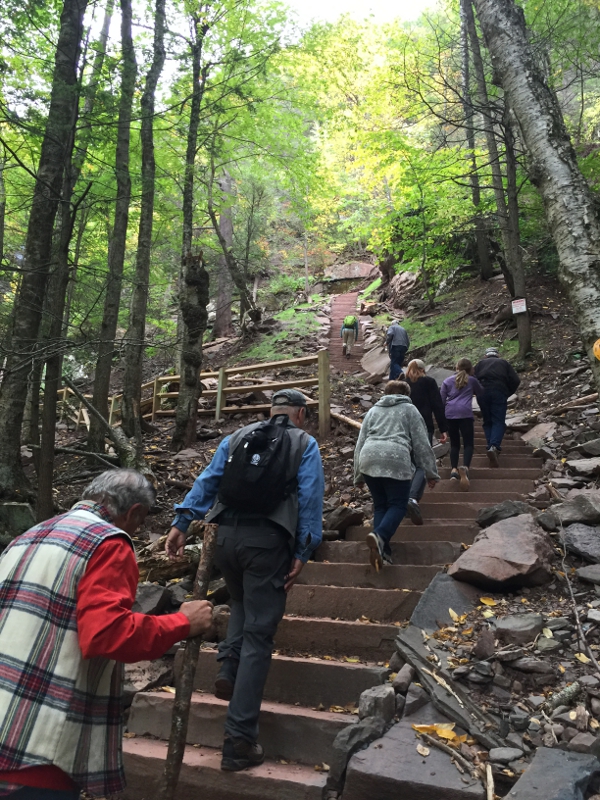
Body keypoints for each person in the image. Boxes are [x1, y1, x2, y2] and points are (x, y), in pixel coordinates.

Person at [0, 469, 213, 800]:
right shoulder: (108, 543)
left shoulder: (27, 537)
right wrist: (181, 623)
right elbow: (107, 634)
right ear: (135, 513)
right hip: (37, 747)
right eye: (140, 523)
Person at [166, 389, 324, 773]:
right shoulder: (304, 443)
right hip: (266, 543)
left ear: (271, 412)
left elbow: (209, 480)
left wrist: (182, 521)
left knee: (239, 603)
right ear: (301, 414)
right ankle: (239, 740)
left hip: (223, 540)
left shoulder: (236, 437)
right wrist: (304, 548)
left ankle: (227, 667)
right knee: (259, 634)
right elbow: (309, 498)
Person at [354, 381, 439, 570]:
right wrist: (431, 472)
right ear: (407, 394)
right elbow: (421, 444)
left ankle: (384, 551)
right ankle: (380, 536)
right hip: (396, 458)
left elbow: (360, 443)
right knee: (399, 505)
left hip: (368, 458)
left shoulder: (373, 411)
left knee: (381, 505)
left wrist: (358, 475)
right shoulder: (409, 409)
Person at [404, 359, 448, 525]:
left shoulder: (403, 383)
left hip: (405, 428)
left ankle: (405, 498)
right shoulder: (429, 382)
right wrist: (443, 429)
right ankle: (412, 498)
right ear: (423, 369)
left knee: (409, 463)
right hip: (424, 426)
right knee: (422, 462)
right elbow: (437, 405)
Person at [440, 358, 484, 491]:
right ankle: (465, 466)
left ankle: (453, 469)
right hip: (465, 413)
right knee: (468, 443)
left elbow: (441, 400)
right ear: (470, 369)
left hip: (450, 414)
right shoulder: (472, 380)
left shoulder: (447, 381)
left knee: (454, 444)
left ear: (456, 368)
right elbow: (481, 392)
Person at [474, 347, 521, 467]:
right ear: (498, 355)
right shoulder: (504, 363)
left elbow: (472, 379)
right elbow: (515, 380)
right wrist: (507, 393)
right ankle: (494, 446)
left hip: (482, 392)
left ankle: (491, 446)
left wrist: (476, 392)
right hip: (498, 391)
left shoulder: (480, 364)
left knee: (487, 421)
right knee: (498, 421)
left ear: (486, 356)